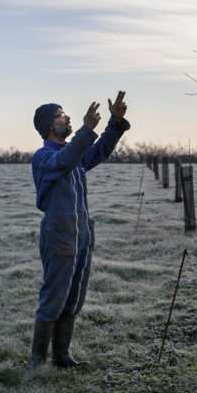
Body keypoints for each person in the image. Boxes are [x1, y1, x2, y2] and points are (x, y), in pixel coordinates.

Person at [30, 91, 130, 368]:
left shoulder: (74, 156)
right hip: (59, 234)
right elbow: (64, 161)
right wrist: (87, 129)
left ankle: (62, 356)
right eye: (61, 115)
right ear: (50, 125)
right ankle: (37, 361)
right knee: (54, 297)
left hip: (82, 234)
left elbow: (98, 151)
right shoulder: (44, 157)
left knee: (74, 297)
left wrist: (114, 123)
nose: (67, 117)